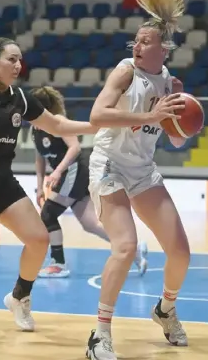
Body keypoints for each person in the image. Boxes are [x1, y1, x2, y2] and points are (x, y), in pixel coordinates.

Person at [0, 37, 98, 330]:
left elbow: (58, 126)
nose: (18, 65)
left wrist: (99, 124)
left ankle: (19, 297)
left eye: (20, 60)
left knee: (38, 238)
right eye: (11, 59)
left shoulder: (20, 98)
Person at [85, 0, 195, 360]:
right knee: (125, 246)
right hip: (109, 165)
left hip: (142, 170)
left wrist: (180, 114)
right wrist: (150, 117)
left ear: (163, 49)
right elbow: (98, 114)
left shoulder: (168, 81)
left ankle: (165, 310)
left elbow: (178, 140)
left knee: (180, 250)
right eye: (136, 40)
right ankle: (99, 334)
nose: (136, 44)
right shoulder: (125, 70)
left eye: (145, 41)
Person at [30, 86, 148, 279]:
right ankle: (133, 250)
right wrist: (40, 186)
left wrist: (58, 171)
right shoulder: (35, 129)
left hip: (74, 171)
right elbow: (39, 158)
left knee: (48, 214)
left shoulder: (58, 122)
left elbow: (75, 147)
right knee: (90, 224)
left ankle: (58, 264)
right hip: (69, 175)